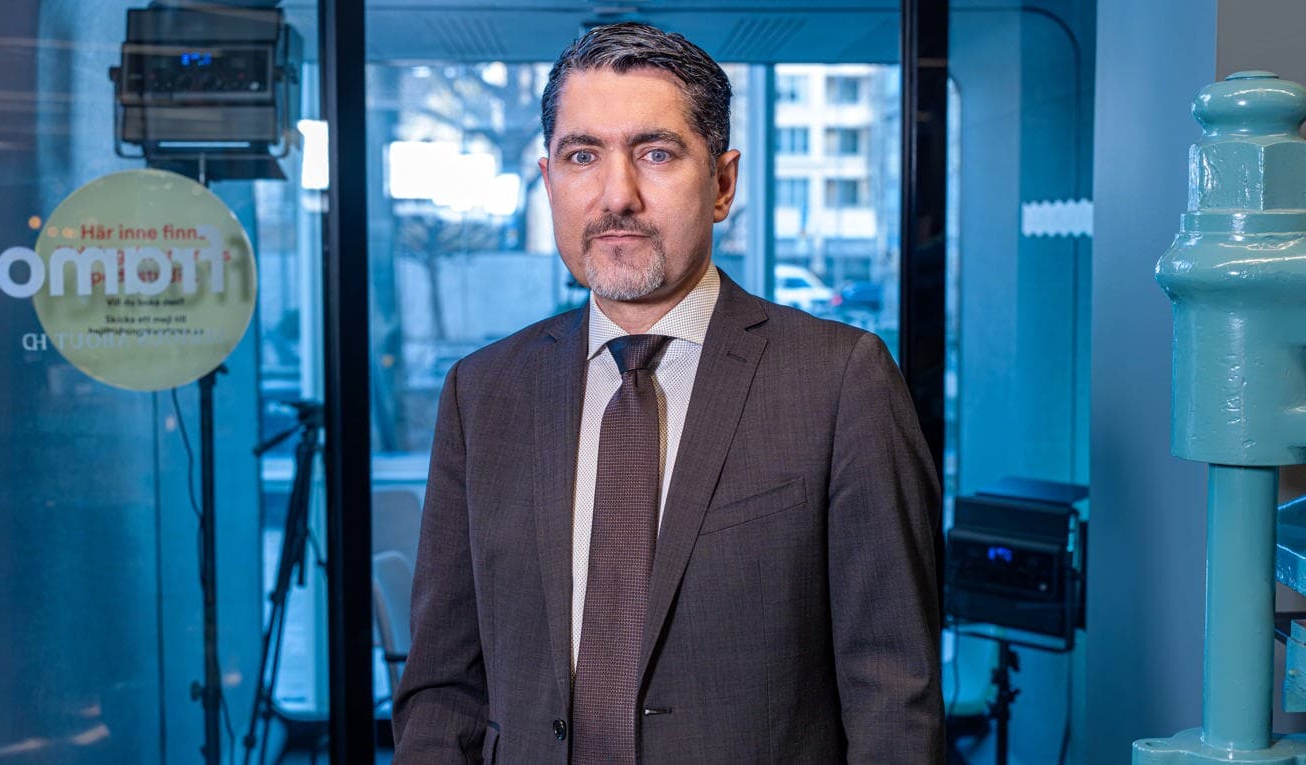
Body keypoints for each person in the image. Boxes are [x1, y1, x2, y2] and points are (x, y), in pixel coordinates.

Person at [393, 22, 943, 764]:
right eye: (582, 155)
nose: (616, 195)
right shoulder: (483, 392)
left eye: (655, 153)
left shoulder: (840, 379)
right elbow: (443, 687)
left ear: (723, 184)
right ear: (549, 180)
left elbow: (894, 697)